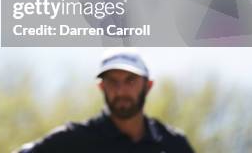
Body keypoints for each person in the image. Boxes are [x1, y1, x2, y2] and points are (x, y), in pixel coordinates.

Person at [17, 49, 195, 153]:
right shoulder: (74, 139)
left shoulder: (173, 143)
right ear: (101, 87)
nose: (121, 90)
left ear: (148, 85)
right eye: (112, 81)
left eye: (130, 80)